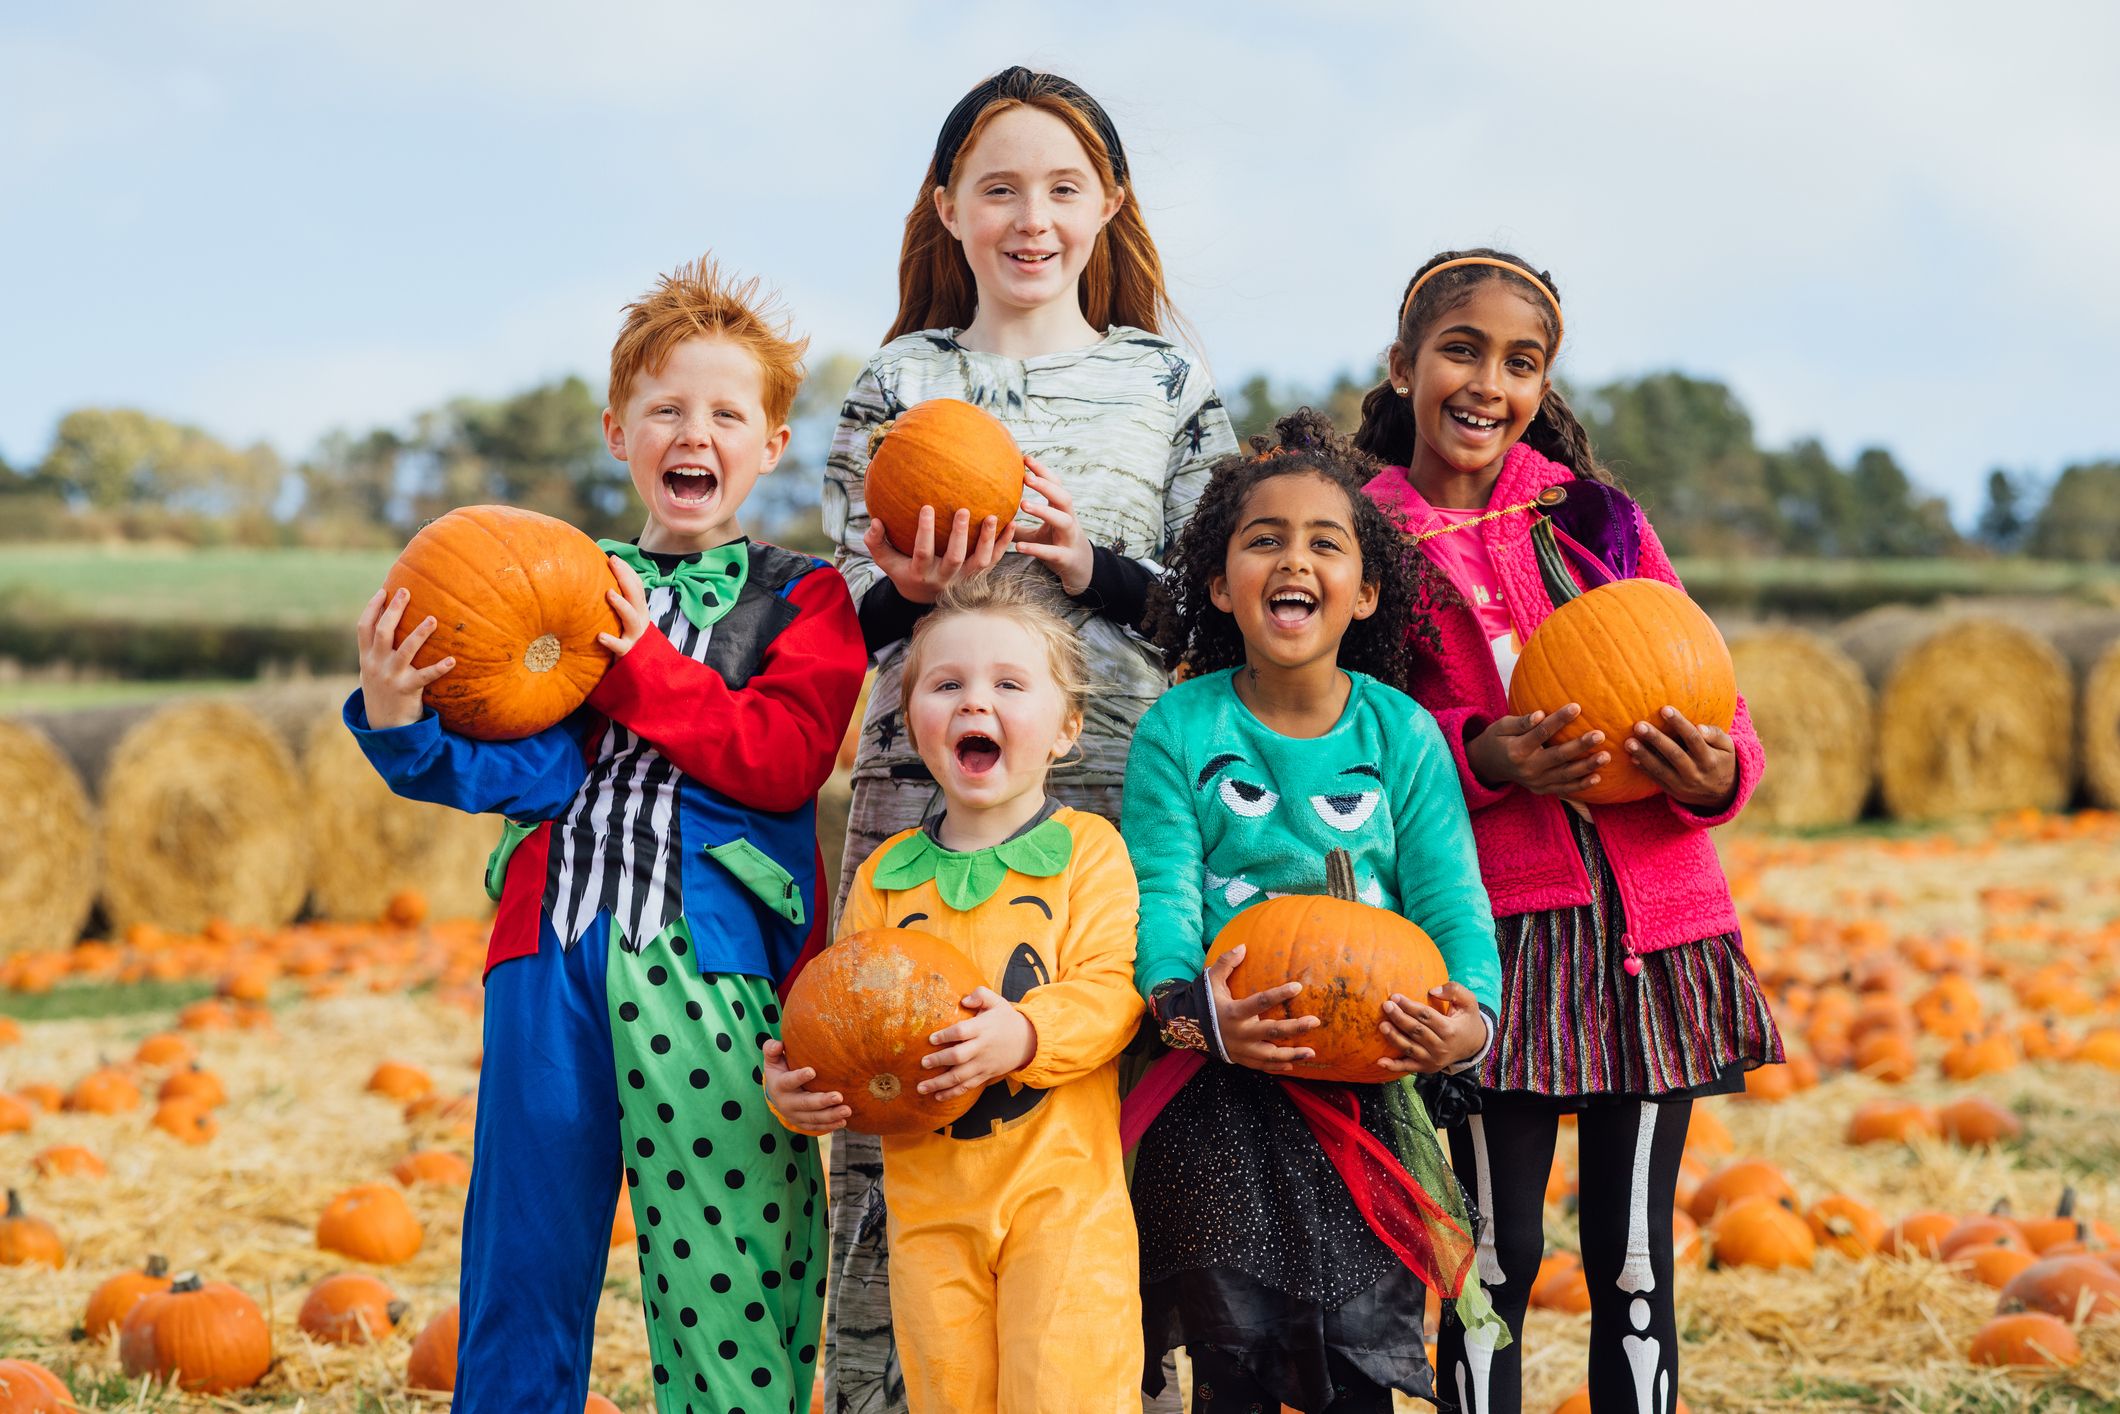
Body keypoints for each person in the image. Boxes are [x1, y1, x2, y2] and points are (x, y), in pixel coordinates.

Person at [346, 256, 865, 1414]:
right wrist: (399, 721)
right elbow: (528, 770)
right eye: (666, 409)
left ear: (771, 445)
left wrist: (639, 668)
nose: (694, 433)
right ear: (617, 432)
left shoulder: (800, 597)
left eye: (725, 413)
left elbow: (783, 756)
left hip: (713, 965)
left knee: (728, 1257)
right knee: (523, 1254)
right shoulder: (559, 582)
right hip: (550, 956)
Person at [818, 63, 1239, 1412]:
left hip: (1114, 814)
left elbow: (1225, 610)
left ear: (1107, 203)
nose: (1031, 217)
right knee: (908, 1114)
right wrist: (911, 587)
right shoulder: (898, 383)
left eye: (1062, 187)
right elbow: (842, 622)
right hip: (921, 812)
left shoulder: (1165, 382)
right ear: (947, 207)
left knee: (1108, 1146)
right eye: (998, 188)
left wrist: (1091, 567)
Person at [1356, 248, 1783, 1414]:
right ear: (1401, 366)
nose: (1486, 382)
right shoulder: (1363, 543)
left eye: (1518, 361)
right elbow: (1349, 739)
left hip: (1651, 937)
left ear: (1542, 385)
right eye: (1459, 351)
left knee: (1634, 1266)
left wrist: (1715, 773)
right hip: (1492, 944)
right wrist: (1479, 757)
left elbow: (1706, 685)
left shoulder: (1593, 522)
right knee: (1488, 1265)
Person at [1120, 409, 1504, 1412]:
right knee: (1233, 1354)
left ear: (1365, 591)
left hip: (1365, 1091)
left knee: (1353, 1362)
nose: (1294, 559)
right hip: (1217, 1087)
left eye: (1324, 543)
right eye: (1265, 540)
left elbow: (1452, 900)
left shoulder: (1400, 733)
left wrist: (1467, 1017)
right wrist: (1190, 1011)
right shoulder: (1179, 727)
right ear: (1218, 583)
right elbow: (1162, 894)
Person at [768, 573, 1146, 1413]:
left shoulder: (1089, 852)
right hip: (930, 1216)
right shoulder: (886, 875)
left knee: (1065, 1394)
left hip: (1063, 1205)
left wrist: (1026, 1036)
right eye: (948, 685)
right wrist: (804, 1086)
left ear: (1067, 728)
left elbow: (1113, 992)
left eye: (1010, 684)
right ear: (914, 725)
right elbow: (843, 1018)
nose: (976, 701)